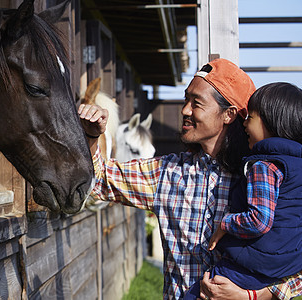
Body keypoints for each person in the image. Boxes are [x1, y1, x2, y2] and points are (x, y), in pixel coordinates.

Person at [78, 58, 302, 299]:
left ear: (228, 114)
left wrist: (255, 295)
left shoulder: (267, 175)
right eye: (186, 99)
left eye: (196, 103)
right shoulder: (166, 173)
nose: (184, 110)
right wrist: (92, 136)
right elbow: (99, 180)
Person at [183, 82, 302, 300]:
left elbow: (259, 220)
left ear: (270, 122)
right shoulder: (296, 166)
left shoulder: (264, 165)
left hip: (247, 268)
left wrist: (225, 223)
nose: (244, 123)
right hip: (284, 269)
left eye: (251, 117)